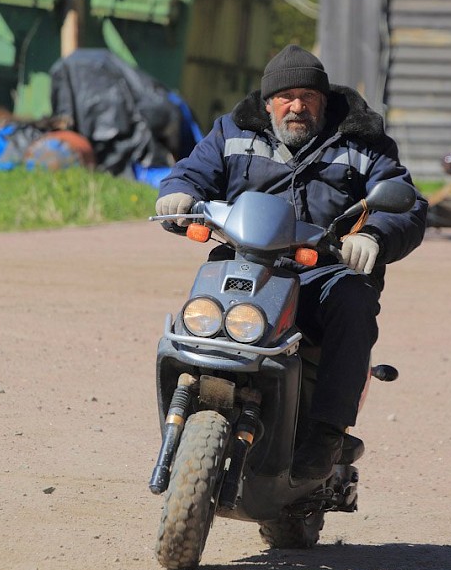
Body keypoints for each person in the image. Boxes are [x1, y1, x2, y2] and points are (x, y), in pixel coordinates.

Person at [155, 44, 428, 482]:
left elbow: (405, 202)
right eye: (286, 97)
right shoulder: (232, 132)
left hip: (324, 267)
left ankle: (327, 433)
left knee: (353, 301)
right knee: (200, 305)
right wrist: (178, 193)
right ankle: (189, 400)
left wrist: (373, 235)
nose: (297, 106)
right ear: (268, 103)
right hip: (248, 259)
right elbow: (192, 171)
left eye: (308, 96)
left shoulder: (361, 140)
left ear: (324, 100)